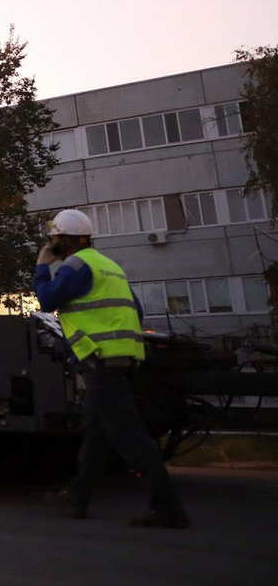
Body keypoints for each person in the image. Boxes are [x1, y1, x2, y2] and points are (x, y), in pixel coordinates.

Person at [33, 208, 189, 528]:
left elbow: (47, 300)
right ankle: (77, 498)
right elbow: (137, 312)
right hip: (118, 360)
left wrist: (42, 266)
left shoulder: (75, 266)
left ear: (65, 241)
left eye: (54, 239)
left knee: (131, 438)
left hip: (100, 362)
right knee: (97, 435)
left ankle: (168, 507)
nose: (50, 243)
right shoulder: (109, 266)